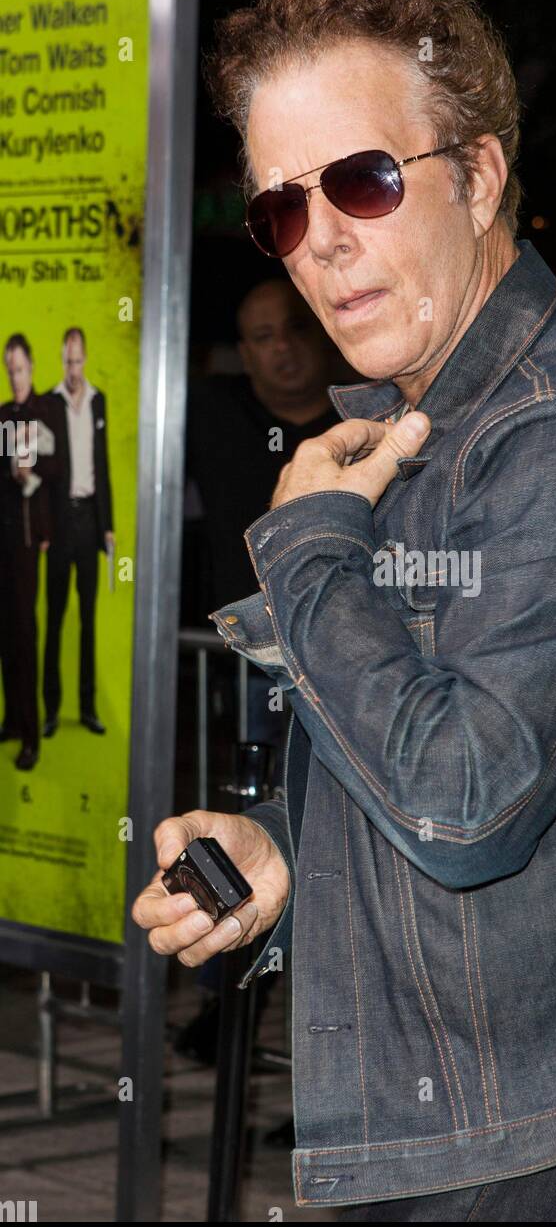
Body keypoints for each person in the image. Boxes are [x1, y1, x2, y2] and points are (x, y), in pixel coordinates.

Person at [134, 0, 556, 1222]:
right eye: (282, 208)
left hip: (547, 1149)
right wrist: (288, 858)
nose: (322, 246)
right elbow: (454, 766)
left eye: (361, 180)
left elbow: (464, 807)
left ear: (476, 176)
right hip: (459, 1125)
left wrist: (308, 550)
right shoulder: (419, 430)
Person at [176, 276, 342, 1073]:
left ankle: (329, 1044)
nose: (281, 349)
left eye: (292, 329)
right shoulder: (213, 416)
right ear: (244, 353)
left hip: (348, 676)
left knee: (341, 840)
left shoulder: (367, 420)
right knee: (245, 827)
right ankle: (229, 1004)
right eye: (262, 337)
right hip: (239, 673)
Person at [42, 328, 113, 738]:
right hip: (57, 523)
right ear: (61, 360)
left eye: (78, 360)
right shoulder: (47, 403)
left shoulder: (98, 400)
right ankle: (50, 710)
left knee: (87, 620)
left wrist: (108, 527)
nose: (72, 368)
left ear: (85, 359)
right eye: (67, 361)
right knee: (53, 620)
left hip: (89, 521)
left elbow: (101, 467)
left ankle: (86, 709)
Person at [0, 335, 57, 770]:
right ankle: (14, 719)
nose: (15, 376)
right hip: (3, 538)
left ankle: (32, 734)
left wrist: (31, 472)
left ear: (31, 366)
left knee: (25, 635)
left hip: (26, 541)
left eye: (19, 368)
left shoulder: (45, 412)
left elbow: (58, 471)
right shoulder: (4, 416)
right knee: (7, 638)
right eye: (9, 369)